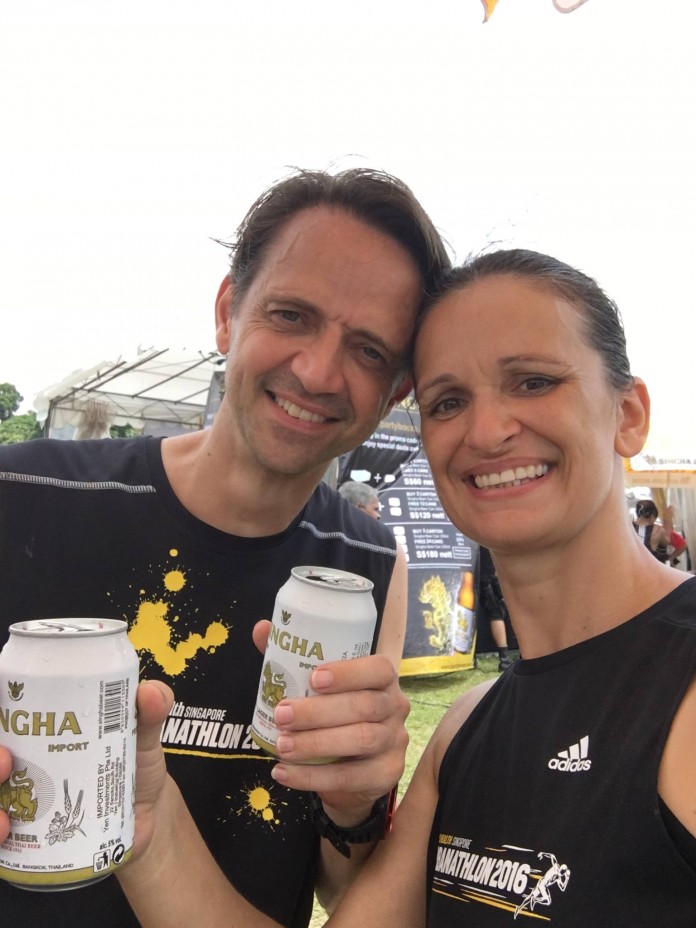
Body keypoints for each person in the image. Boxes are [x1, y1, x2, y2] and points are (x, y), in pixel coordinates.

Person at [90, 246, 696, 926]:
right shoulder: (463, 733)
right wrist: (150, 822)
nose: (487, 431)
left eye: (533, 382)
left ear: (628, 414)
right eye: (448, 401)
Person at [0, 167, 451, 927]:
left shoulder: (371, 563)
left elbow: (340, 887)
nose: (318, 372)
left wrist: (355, 803)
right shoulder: (24, 495)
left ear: (397, 391)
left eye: (370, 351)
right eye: (291, 315)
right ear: (226, 313)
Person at [476, 545, 514, 671]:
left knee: (469, 613)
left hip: (470, 571)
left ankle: (504, 659)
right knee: (496, 614)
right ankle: (504, 659)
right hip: (488, 573)